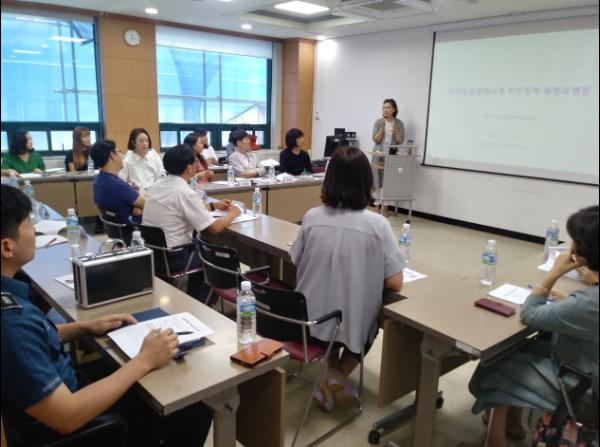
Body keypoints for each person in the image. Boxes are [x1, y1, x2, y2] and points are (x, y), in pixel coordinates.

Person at [0, 184, 212, 446]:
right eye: (29, 225)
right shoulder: (11, 323)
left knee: (138, 371)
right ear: (7, 247)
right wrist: (144, 360)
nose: (34, 231)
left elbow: (38, 337)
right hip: (75, 418)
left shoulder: (11, 300)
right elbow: (67, 417)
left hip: (64, 385)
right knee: (192, 408)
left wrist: (86, 326)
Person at [468, 205, 599, 447]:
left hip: (585, 389)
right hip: (584, 364)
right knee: (526, 346)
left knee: (496, 366)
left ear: (584, 252)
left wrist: (555, 272)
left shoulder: (591, 304)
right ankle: (513, 422)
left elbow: (529, 313)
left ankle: (495, 440)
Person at [289, 146, 405, 411]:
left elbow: (295, 258)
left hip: (308, 324)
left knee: (333, 309)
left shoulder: (312, 216)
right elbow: (395, 282)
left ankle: (331, 378)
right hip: (349, 327)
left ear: (329, 179)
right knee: (367, 319)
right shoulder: (378, 225)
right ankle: (336, 377)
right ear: (366, 182)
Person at [143, 145, 241, 299]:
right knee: (215, 258)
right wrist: (233, 214)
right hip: (175, 256)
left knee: (203, 246)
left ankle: (196, 296)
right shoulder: (185, 192)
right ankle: (200, 301)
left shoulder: (156, 186)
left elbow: (179, 208)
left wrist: (212, 206)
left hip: (153, 253)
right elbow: (213, 228)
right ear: (189, 168)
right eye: (194, 162)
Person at [90, 139, 144, 224]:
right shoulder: (117, 185)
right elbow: (147, 203)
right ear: (112, 155)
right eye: (119, 152)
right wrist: (140, 205)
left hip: (117, 228)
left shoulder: (99, 180)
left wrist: (139, 206)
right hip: (134, 227)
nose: (122, 155)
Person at [371, 99, 404, 215]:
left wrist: (397, 133)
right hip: (377, 154)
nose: (385, 109)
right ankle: (376, 207)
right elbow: (375, 140)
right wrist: (381, 129)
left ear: (394, 109)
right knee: (376, 181)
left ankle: (385, 208)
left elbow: (400, 141)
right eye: (384, 107)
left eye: (388, 107)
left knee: (388, 182)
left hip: (391, 156)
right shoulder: (378, 122)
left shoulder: (399, 124)